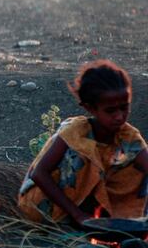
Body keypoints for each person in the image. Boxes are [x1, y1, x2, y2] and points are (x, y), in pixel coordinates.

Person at [18, 60, 148, 225]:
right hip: (49, 208)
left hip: (88, 211)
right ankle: (72, 222)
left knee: (136, 166)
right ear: (90, 109)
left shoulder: (128, 136)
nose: (119, 116)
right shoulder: (76, 131)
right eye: (110, 111)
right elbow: (39, 173)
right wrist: (77, 214)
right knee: (80, 157)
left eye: (124, 108)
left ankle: (119, 218)